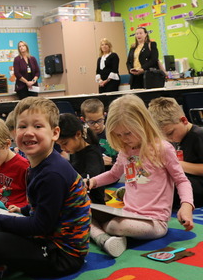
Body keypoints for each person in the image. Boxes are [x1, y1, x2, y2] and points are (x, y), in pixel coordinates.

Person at [0, 97, 90, 280]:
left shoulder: (52, 173)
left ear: (54, 133)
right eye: (22, 127)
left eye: (38, 126)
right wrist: (23, 209)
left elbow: (41, 225)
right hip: (48, 241)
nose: (29, 132)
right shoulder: (39, 165)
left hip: (62, 255)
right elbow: (46, 206)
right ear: (14, 133)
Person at [87, 95, 194, 258]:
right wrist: (93, 181)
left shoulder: (162, 148)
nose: (124, 139)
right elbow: (114, 174)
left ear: (143, 124)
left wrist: (187, 206)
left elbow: (181, 180)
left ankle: (103, 235)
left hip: (154, 222)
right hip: (127, 213)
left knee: (117, 226)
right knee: (83, 213)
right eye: (119, 135)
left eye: (128, 133)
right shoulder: (125, 150)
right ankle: (106, 240)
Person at [148, 97, 203, 208]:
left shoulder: (198, 136)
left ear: (183, 120)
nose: (169, 138)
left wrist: (177, 164)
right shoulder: (177, 138)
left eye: (170, 133)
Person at [57, 113, 105, 204]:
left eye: (65, 143)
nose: (62, 148)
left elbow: (89, 177)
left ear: (78, 134)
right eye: (59, 145)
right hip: (77, 203)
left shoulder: (93, 154)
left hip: (93, 206)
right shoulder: (74, 151)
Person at [80, 98, 117, 169]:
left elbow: (124, 156)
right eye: (91, 122)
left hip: (112, 171)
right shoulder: (83, 136)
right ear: (83, 120)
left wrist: (113, 161)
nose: (96, 125)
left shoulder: (113, 133)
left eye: (99, 121)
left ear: (104, 115)